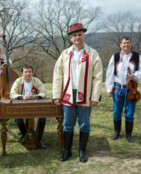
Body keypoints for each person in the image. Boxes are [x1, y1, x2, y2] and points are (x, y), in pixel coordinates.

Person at [52, 23, 103, 162]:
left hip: (85, 95)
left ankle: (82, 151)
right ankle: (67, 151)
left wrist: (95, 97)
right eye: (74, 35)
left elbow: (98, 77)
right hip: (68, 94)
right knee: (68, 124)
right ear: (70, 38)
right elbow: (58, 75)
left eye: (79, 34)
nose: (77, 37)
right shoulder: (65, 54)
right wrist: (56, 94)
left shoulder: (92, 54)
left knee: (84, 124)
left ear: (83, 35)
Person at [105, 36, 141, 143]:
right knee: (116, 111)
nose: (126, 45)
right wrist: (109, 88)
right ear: (120, 45)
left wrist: (135, 75)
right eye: (124, 43)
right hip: (118, 87)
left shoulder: (137, 56)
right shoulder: (114, 56)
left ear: (131, 44)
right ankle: (117, 132)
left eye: (128, 43)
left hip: (131, 89)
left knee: (130, 112)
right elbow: (109, 73)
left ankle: (129, 134)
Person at [10, 65, 47, 149]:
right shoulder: (18, 81)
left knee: (43, 116)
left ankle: (38, 139)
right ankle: (24, 136)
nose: (28, 74)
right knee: (18, 117)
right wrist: (22, 97)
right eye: (26, 72)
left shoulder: (37, 81)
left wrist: (36, 96)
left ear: (32, 72)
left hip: (35, 104)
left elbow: (44, 92)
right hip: (21, 104)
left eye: (29, 72)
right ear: (22, 73)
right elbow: (12, 93)